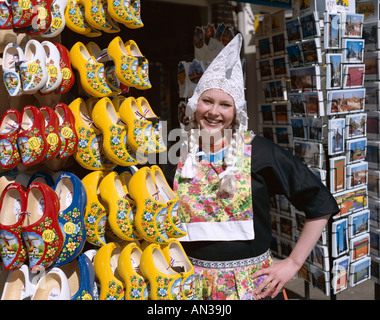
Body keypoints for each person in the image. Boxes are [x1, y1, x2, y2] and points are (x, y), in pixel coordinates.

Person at [163, 33, 339, 300]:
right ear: (194, 103)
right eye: (207, 101)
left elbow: (320, 202)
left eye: (225, 105)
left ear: (236, 112)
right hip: (187, 286)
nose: (214, 112)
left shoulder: (261, 152)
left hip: (251, 288)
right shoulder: (174, 154)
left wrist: (292, 264)